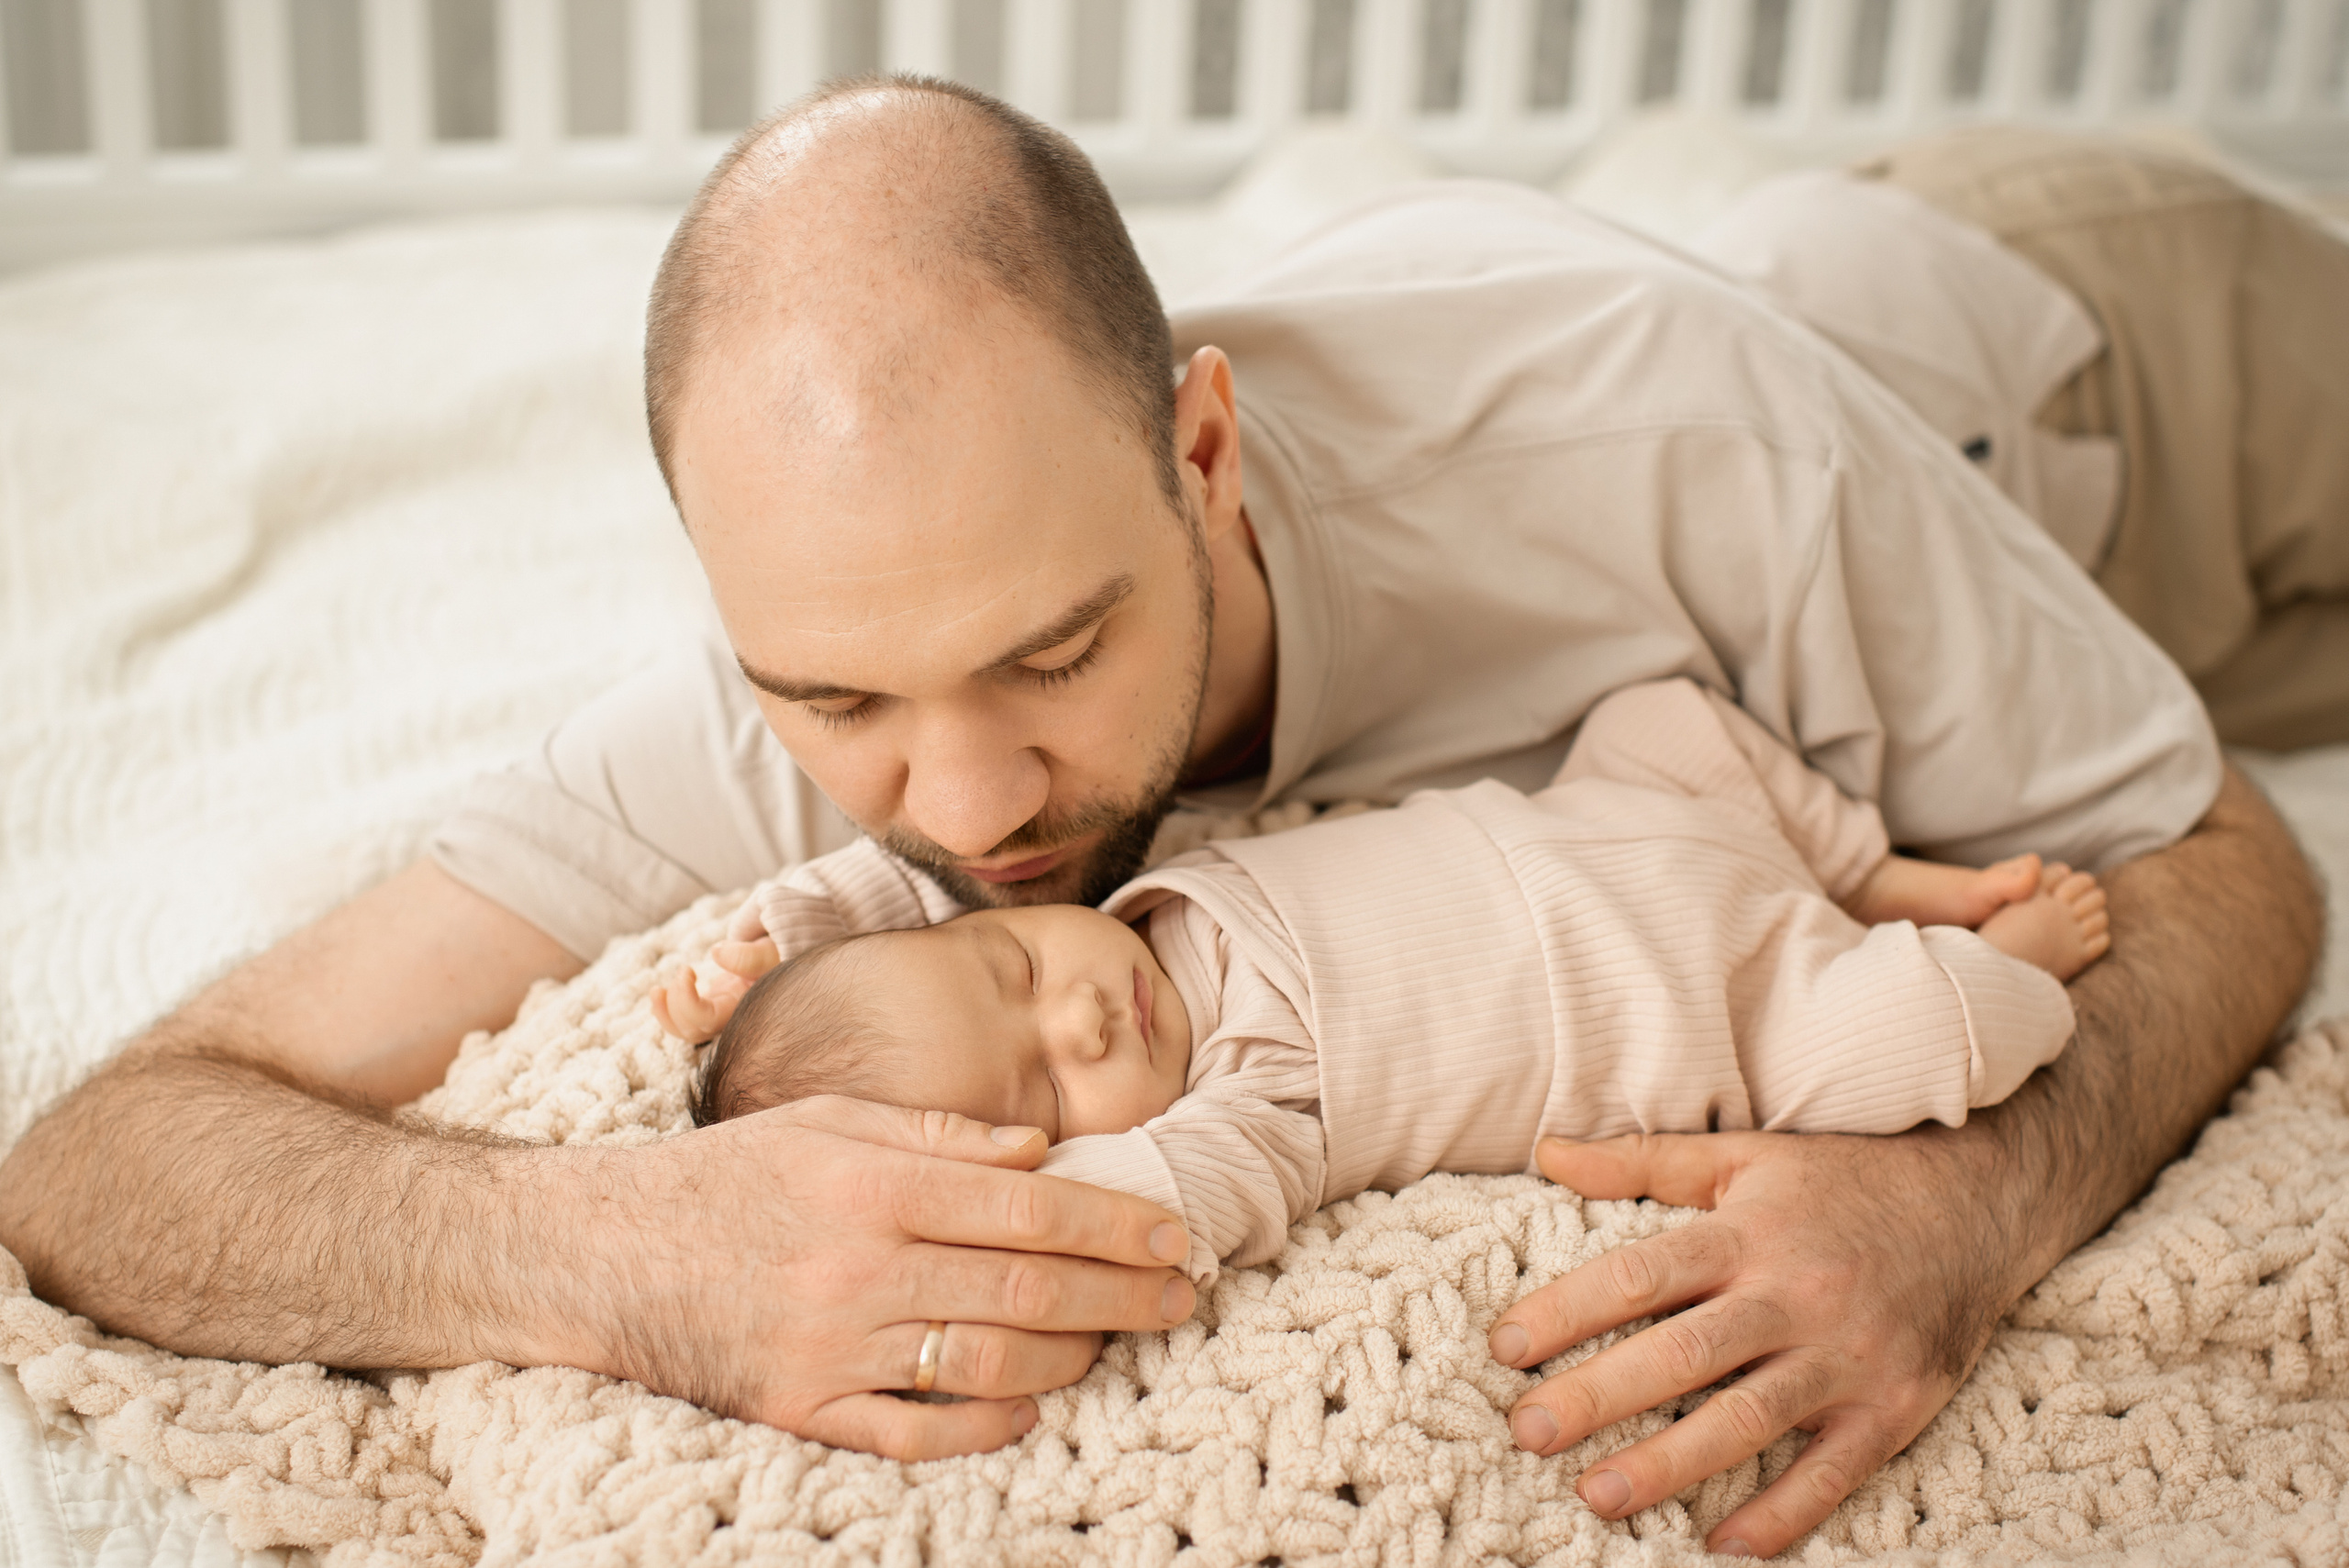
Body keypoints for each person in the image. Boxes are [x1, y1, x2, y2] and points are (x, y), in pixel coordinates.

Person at [0, 75, 2324, 1561]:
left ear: (1199, 456)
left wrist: (1970, 1194)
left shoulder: (1675, 441)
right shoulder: (816, 670)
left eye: (1051, 656)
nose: (970, 803)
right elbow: (118, 1152)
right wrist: (618, 1255)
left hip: (2092, 354)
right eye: (838, 702)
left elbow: (2215, 853)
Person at [683, 678, 2113, 1292]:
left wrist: (768, 949)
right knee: (1928, 1031)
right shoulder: (1250, 1113)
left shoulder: (1130, 894)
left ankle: (1876, 872)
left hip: (1622, 808)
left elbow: (908, 889)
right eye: (1047, 1082)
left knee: (1665, 715)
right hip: (1716, 995)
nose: (1082, 1012)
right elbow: (1121, 1224)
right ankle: (1985, 957)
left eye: (1016, 971)